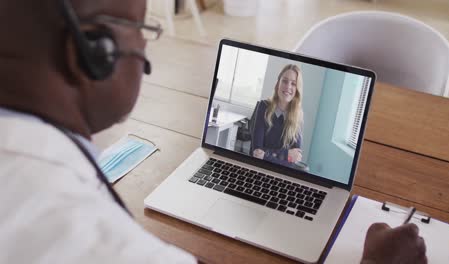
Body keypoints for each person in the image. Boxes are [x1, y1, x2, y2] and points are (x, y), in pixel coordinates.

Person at [0, 0, 427, 263]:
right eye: (142, 29)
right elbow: (259, 151)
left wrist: (284, 159)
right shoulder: (105, 247)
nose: (146, 47)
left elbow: (293, 156)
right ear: (96, 53)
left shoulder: (297, 120)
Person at [251, 64, 304, 168]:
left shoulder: (298, 116)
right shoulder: (264, 107)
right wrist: (286, 155)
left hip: (283, 173)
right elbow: (256, 152)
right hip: (259, 168)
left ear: (297, 89)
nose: (288, 86)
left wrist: (266, 155)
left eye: (293, 84)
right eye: (284, 81)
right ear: (278, 83)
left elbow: (295, 159)